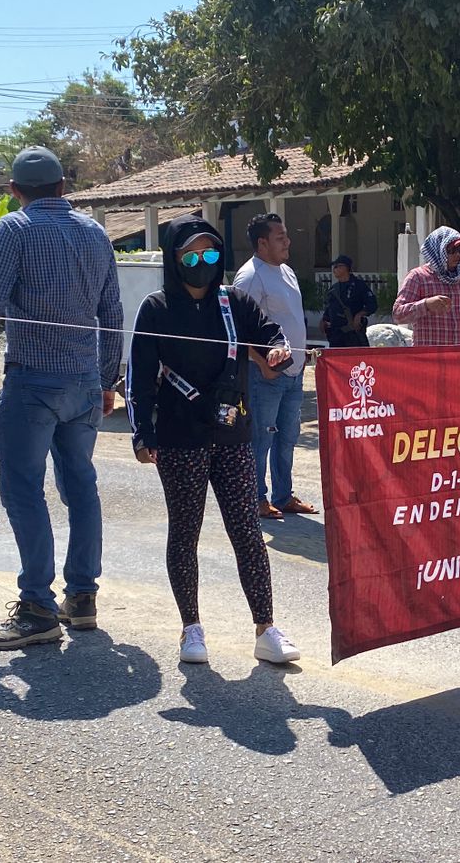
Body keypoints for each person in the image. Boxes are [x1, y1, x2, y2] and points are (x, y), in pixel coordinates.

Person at [0, 146, 124, 651]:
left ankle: (36, 605)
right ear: (62, 186)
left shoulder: (13, 229)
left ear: (15, 191)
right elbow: (112, 312)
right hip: (83, 385)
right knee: (81, 486)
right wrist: (109, 382)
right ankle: (82, 597)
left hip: (32, 382)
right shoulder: (94, 232)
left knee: (23, 488)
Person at [127, 213, 302, 665]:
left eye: (210, 252)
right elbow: (140, 379)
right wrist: (141, 432)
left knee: (246, 529)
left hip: (232, 434)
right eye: (192, 254)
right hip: (179, 439)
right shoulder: (157, 309)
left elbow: (268, 333)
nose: (202, 262)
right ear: (175, 258)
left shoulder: (235, 301)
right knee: (185, 533)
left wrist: (278, 348)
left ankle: (266, 627)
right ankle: (191, 628)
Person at [233, 212, 316, 521]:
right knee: (261, 438)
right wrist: (262, 364)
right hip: (265, 375)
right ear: (262, 243)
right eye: (280, 238)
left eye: (286, 236)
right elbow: (239, 329)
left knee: (287, 437)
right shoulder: (250, 277)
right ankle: (256, 499)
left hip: (293, 373)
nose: (288, 242)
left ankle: (283, 496)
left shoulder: (287, 272)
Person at [393, 226, 460, 346]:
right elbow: (398, 315)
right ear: (438, 250)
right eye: (451, 250)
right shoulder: (418, 277)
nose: (457, 255)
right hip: (429, 358)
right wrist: (426, 304)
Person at [320, 255, 376, 348]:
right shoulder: (334, 289)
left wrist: (360, 315)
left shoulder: (359, 286)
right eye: (334, 267)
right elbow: (330, 308)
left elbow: (372, 304)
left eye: (338, 266)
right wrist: (324, 320)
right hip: (336, 336)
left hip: (353, 335)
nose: (334, 269)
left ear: (346, 267)